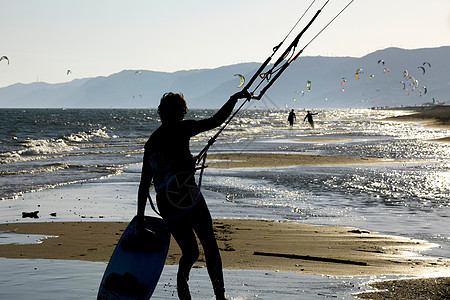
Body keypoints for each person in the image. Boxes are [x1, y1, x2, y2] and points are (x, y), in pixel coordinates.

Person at [137, 90, 250, 300]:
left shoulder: (152, 143)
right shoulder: (182, 128)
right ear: (180, 112)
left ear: (161, 112)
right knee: (209, 245)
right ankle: (219, 296)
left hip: (168, 204)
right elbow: (216, 120)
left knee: (191, 253)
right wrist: (233, 99)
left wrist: (140, 219)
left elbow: (144, 184)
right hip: (189, 198)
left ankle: (183, 288)